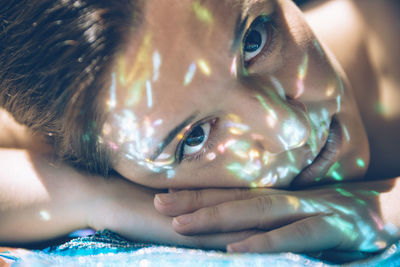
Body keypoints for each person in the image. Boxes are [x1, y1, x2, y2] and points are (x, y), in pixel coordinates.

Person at [0, 0, 399, 256]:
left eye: (255, 38)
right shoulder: (78, 124)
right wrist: (99, 199)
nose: (290, 131)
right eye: (194, 138)